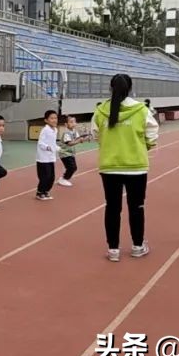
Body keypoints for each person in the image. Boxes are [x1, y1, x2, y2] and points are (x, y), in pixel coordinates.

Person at [92, 74, 159, 262]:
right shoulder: (141, 110)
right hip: (136, 166)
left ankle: (113, 249)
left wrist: (110, 145)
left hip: (110, 166)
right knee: (137, 207)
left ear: (110, 88)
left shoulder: (100, 111)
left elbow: (96, 134)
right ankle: (137, 246)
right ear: (130, 88)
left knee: (112, 208)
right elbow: (152, 134)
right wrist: (143, 147)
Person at [36, 110, 60, 200]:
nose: (54, 120)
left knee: (51, 177)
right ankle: (39, 192)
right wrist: (48, 148)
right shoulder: (45, 130)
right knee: (44, 176)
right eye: (52, 118)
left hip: (51, 158)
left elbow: (53, 143)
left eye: (55, 118)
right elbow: (41, 143)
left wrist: (58, 148)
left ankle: (46, 191)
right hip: (43, 158)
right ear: (46, 120)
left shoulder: (55, 130)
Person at [58, 115, 87, 188]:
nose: (73, 123)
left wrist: (83, 139)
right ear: (66, 124)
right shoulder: (66, 133)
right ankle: (63, 179)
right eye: (71, 122)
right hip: (64, 153)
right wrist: (79, 141)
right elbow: (70, 143)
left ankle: (64, 177)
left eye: (74, 122)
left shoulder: (74, 131)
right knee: (72, 167)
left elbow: (78, 139)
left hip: (70, 153)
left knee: (74, 168)